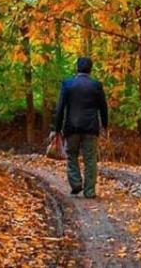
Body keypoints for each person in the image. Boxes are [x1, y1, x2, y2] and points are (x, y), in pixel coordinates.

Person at [51, 56, 108, 198]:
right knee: (90, 159)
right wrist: (105, 125)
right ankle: (89, 191)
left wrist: (57, 128)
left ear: (77, 68)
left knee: (72, 155)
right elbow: (103, 107)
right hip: (91, 128)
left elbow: (60, 108)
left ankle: (76, 183)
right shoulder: (96, 85)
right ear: (90, 69)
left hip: (72, 127)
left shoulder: (68, 84)